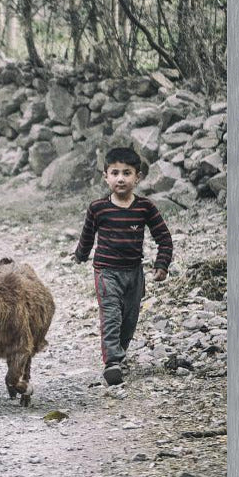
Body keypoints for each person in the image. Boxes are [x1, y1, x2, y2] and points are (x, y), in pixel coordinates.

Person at [73, 146, 173, 387]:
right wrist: (80, 255)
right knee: (111, 315)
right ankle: (112, 363)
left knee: (129, 318)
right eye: (115, 172)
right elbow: (87, 236)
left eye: (127, 173)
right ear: (105, 176)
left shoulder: (145, 207)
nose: (120, 178)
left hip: (134, 274)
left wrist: (162, 264)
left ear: (137, 177)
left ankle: (120, 352)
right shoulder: (98, 208)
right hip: (106, 272)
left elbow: (164, 237)